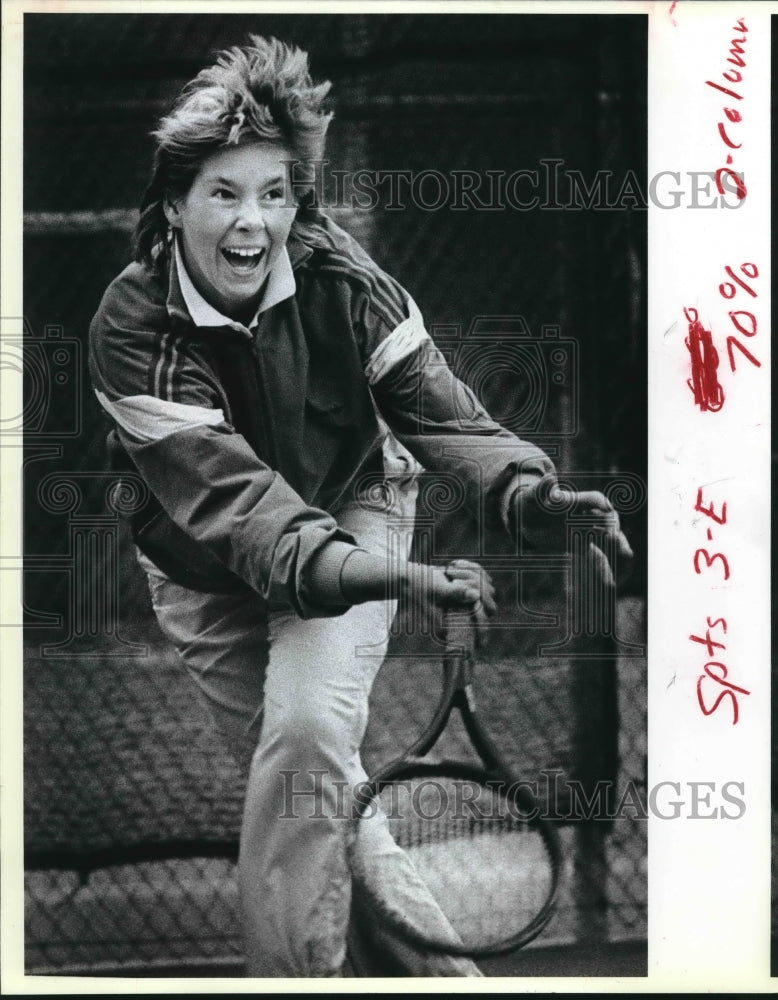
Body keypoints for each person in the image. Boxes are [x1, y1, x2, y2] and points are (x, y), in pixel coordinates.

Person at [88, 34, 630, 978]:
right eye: (224, 193)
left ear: (297, 202)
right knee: (313, 786)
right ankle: (447, 979)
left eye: (275, 193)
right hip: (199, 563)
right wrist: (403, 580)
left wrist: (529, 494)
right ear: (173, 205)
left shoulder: (343, 279)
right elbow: (246, 513)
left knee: (303, 743)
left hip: (356, 504)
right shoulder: (131, 333)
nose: (251, 221)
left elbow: (436, 407)